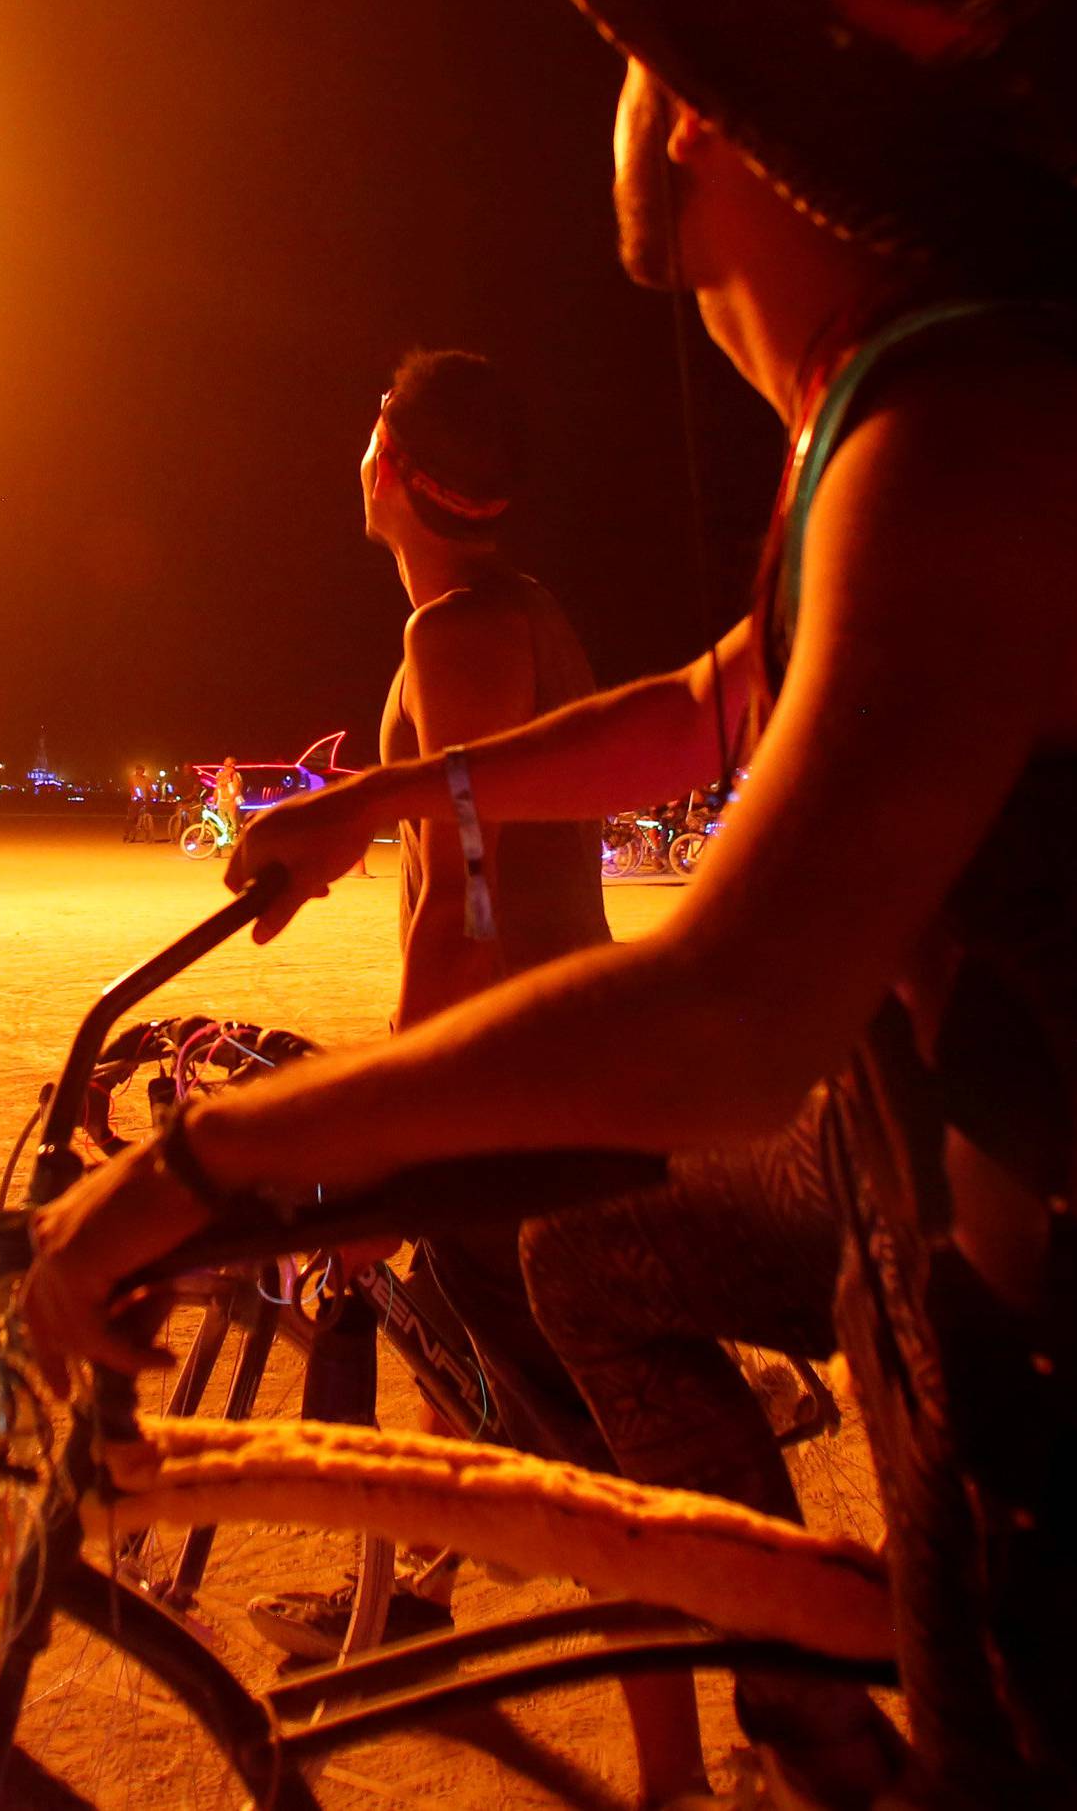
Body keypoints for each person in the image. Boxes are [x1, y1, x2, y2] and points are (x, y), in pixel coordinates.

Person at [23, 0, 1077, 1809]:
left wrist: (219, 1170)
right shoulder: (895, 409)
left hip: (1070, 1366)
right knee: (609, 1255)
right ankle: (807, 1684)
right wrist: (393, 797)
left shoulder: (976, 431)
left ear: (703, 109)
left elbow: (728, 1021)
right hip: (960, 1278)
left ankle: (822, 1706)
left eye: (633, 50)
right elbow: (722, 700)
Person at [250, 348, 620, 1662]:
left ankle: (690, 1759)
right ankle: (419, 1585)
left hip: (512, 1067)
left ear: (392, 471)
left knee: (583, 1446)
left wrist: (392, 1126)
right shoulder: (502, 612)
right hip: (546, 1044)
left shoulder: (458, 633)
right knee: (469, 1347)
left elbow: (457, 905)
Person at [210, 755, 245, 843]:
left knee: (234, 825)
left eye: (228, 762)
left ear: (233, 764)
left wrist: (232, 800)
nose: (225, 763)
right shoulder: (220, 775)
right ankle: (220, 846)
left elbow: (237, 788)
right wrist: (214, 801)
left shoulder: (235, 775)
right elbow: (217, 789)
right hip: (222, 802)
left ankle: (235, 844)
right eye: (225, 761)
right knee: (221, 824)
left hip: (231, 803)